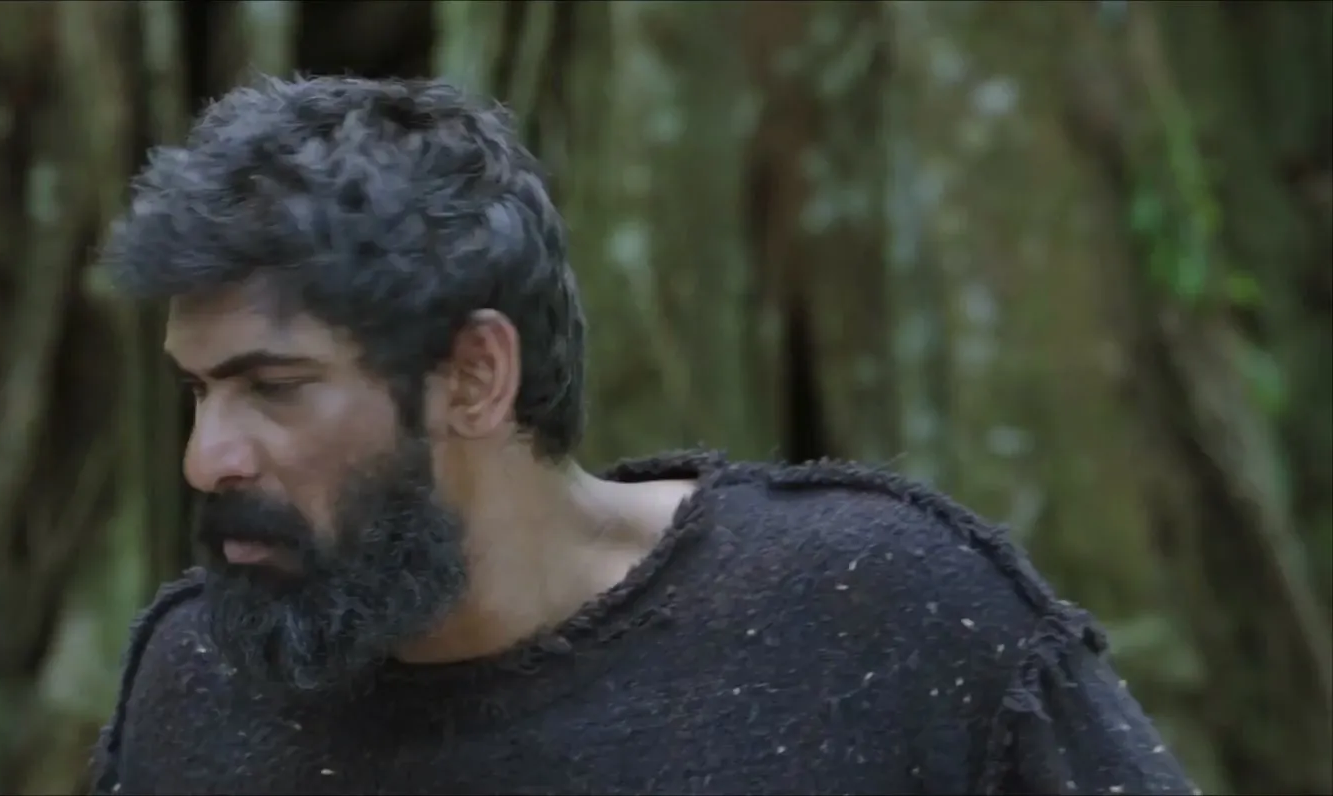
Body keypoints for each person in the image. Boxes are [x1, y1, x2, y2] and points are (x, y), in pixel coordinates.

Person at [88, 74, 1196, 795]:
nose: (207, 459)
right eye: (196, 392)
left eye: (274, 387)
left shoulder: (874, 611)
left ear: (474, 376)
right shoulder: (198, 681)